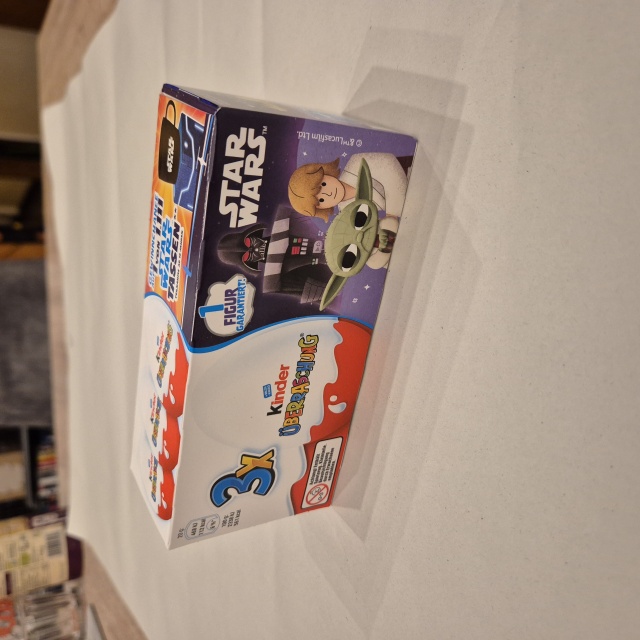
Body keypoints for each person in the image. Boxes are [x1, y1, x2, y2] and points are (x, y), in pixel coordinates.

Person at [288, 153, 410, 222]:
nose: (328, 194)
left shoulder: (356, 162)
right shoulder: (348, 215)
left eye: (323, 185)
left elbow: (389, 164)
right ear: (322, 208)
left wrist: (392, 215)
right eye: (321, 200)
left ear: (324, 173)